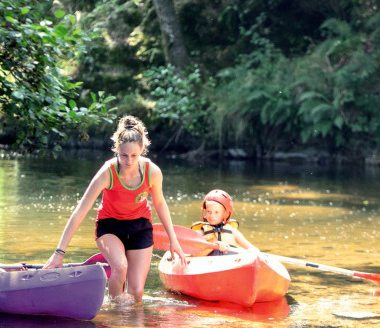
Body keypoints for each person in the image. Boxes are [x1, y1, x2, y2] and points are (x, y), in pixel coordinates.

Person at [43, 115, 187, 303]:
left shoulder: (152, 172)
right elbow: (80, 210)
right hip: (110, 227)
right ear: (116, 150)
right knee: (120, 267)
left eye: (134, 155)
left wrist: (173, 240)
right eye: (123, 155)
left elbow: (160, 204)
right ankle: (115, 320)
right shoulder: (107, 172)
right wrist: (59, 253)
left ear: (142, 149)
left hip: (140, 227)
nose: (128, 161)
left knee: (136, 293)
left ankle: (127, 322)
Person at [191, 189, 258, 256]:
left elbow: (253, 249)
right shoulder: (200, 233)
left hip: (232, 263)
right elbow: (194, 255)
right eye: (208, 211)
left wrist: (250, 251)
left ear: (225, 214)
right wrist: (212, 246)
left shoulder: (233, 233)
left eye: (216, 212)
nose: (212, 215)